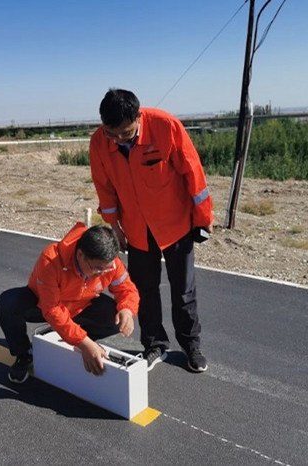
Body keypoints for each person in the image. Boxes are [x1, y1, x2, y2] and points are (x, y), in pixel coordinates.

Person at [89, 88, 214, 373]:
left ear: (139, 117)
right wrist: (115, 227)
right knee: (144, 289)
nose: (118, 140)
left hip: (175, 224)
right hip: (136, 228)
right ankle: (154, 344)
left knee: (183, 290)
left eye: (126, 133)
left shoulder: (166, 126)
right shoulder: (99, 142)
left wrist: (203, 218)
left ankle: (191, 345)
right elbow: (104, 187)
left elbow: (193, 173)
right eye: (111, 134)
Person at [0, 223, 139, 383]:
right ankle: (24, 354)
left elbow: (127, 289)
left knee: (116, 318)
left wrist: (127, 309)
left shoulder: (110, 263)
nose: (102, 273)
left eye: (107, 269)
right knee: (8, 303)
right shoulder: (51, 259)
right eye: (97, 269)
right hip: (43, 305)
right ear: (80, 255)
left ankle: (78, 339)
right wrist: (83, 342)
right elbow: (52, 309)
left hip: (81, 305)